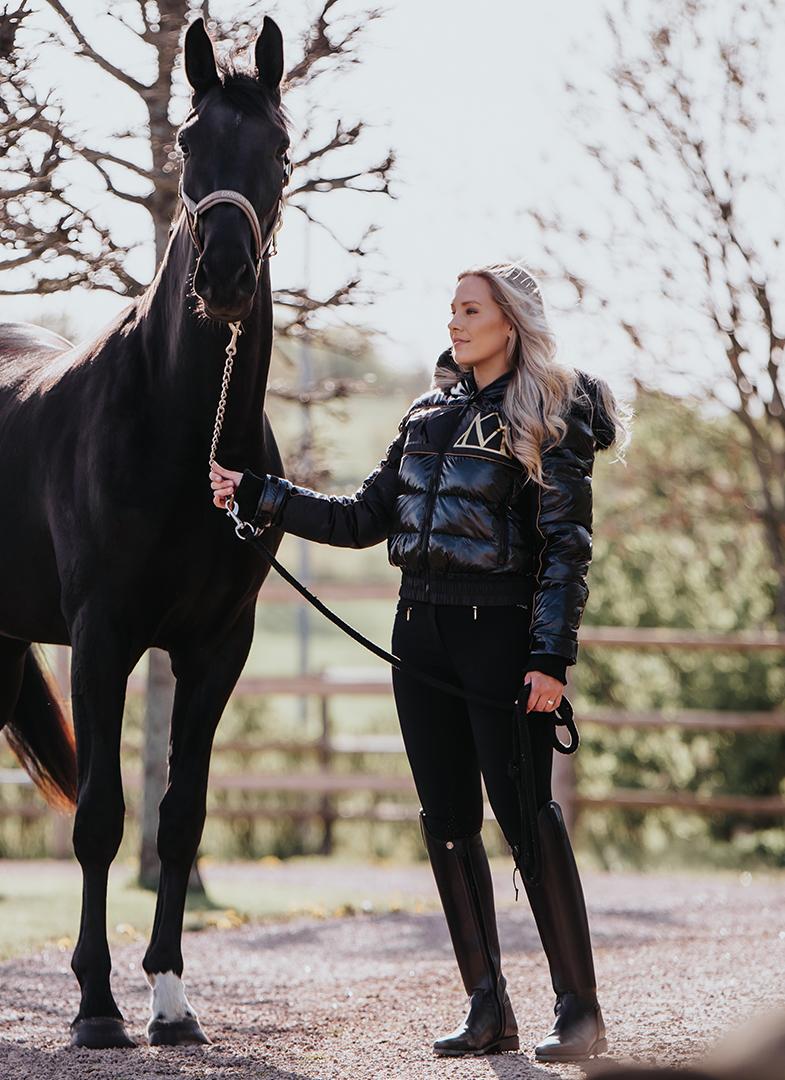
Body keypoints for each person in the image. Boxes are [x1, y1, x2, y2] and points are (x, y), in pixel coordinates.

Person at [210, 262, 629, 1063]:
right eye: (451, 309)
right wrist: (262, 494)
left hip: (500, 636)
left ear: (509, 321)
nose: (455, 322)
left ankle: (579, 1010)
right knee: (445, 823)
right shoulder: (427, 413)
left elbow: (564, 548)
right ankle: (487, 1009)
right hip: (419, 631)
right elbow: (364, 517)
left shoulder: (547, 414)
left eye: (470, 310)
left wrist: (549, 657)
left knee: (527, 819)